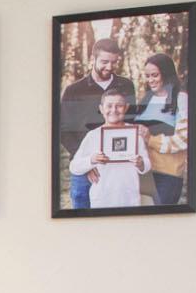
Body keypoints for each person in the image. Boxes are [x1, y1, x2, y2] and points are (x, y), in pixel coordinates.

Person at [67, 89, 146, 209]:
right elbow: (74, 166)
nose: (113, 110)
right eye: (109, 106)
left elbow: (146, 162)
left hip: (129, 197)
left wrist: (141, 164)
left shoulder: (134, 133)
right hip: (102, 197)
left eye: (119, 106)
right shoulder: (93, 135)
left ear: (126, 107)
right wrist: (91, 160)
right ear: (101, 108)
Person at [132, 51, 189, 206]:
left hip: (167, 175)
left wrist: (150, 139)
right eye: (147, 76)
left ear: (166, 73)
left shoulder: (181, 98)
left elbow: (183, 140)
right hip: (143, 173)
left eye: (155, 75)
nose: (150, 80)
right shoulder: (147, 98)